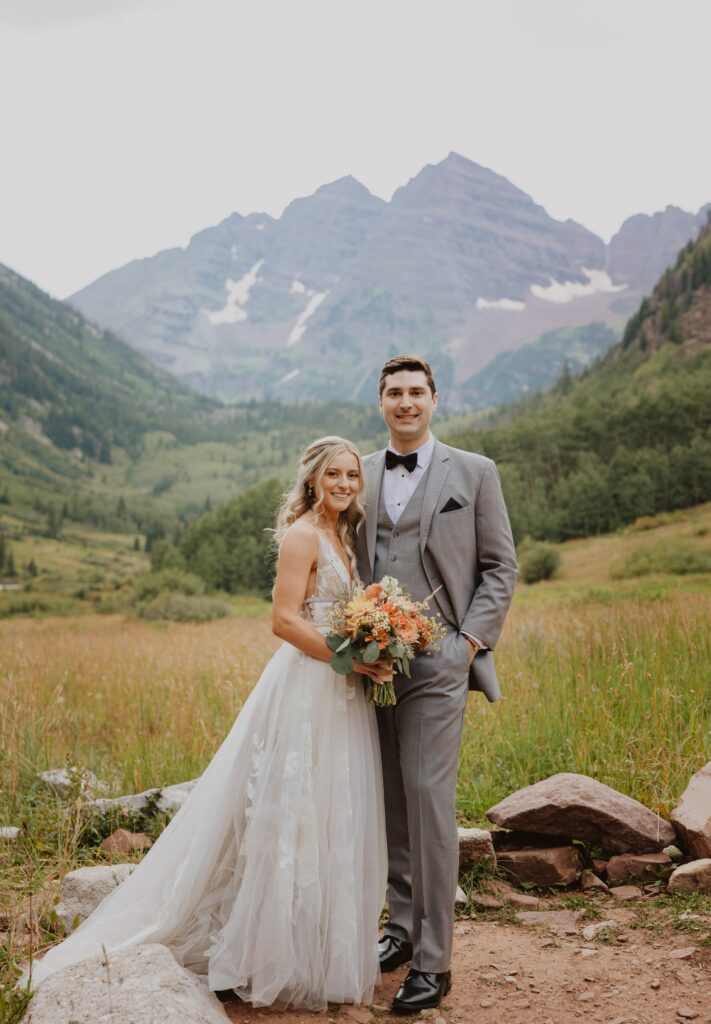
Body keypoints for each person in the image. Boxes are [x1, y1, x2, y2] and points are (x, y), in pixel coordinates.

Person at [17, 436, 390, 1012]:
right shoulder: (301, 535)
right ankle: (267, 950)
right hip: (308, 687)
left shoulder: (343, 533)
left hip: (341, 689)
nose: (344, 484)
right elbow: (283, 621)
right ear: (312, 479)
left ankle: (314, 944)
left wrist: (372, 642)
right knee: (290, 813)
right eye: (333, 475)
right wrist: (351, 656)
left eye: (352, 475)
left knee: (328, 809)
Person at [355, 355, 517, 1014]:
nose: (405, 402)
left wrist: (466, 644)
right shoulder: (357, 471)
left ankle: (434, 960)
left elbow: (499, 565)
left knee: (426, 799)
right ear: (380, 401)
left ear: (434, 399)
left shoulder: (473, 473)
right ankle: (398, 930)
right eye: (393, 393)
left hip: (439, 662)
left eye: (415, 392)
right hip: (367, 663)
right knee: (389, 801)